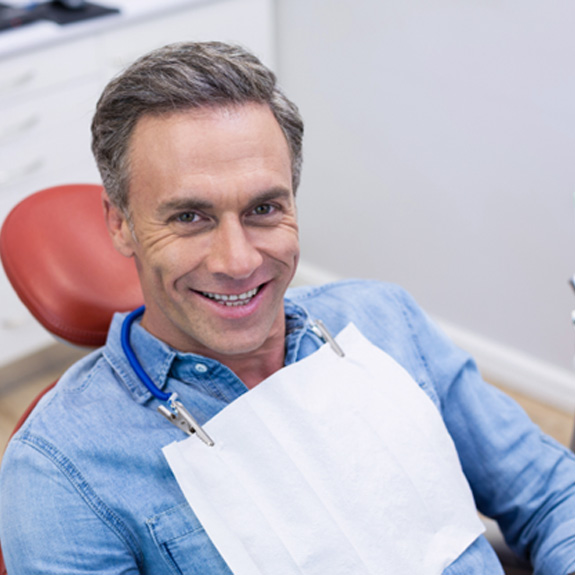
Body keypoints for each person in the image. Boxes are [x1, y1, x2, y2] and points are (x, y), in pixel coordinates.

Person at [0, 41, 574, 575]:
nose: (237, 259)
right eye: (189, 217)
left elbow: (553, 494)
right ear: (120, 223)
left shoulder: (381, 320)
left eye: (264, 209)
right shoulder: (61, 471)